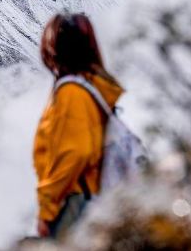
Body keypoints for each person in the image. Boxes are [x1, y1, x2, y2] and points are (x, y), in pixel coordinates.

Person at [33, 13, 124, 240]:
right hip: (93, 197)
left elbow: (75, 152)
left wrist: (47, 210)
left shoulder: (72, 93)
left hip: (76, 201)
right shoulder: (89, 87)